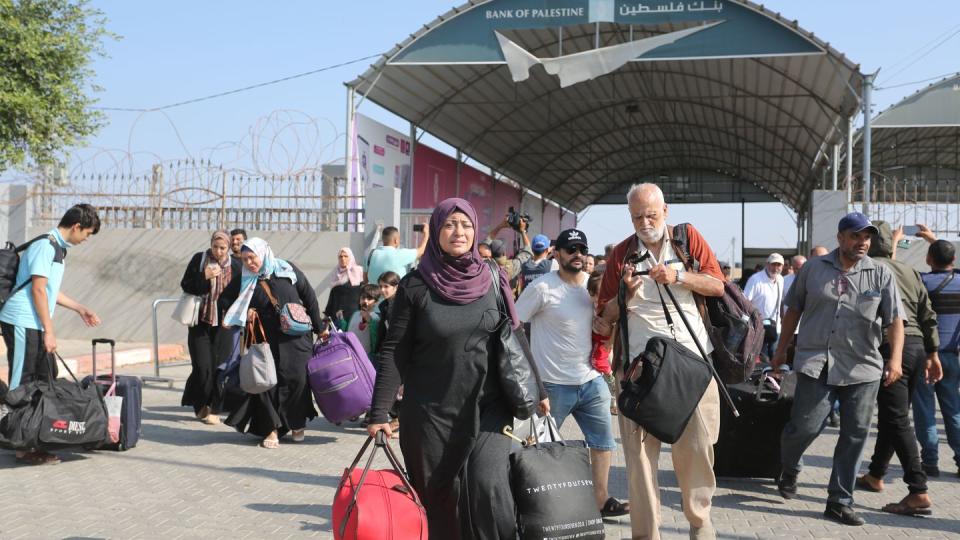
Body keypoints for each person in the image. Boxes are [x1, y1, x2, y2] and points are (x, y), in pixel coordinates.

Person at [366, 198, 547, 539]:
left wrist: (540, 389)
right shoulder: (415, 286)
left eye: (465, 225)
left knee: (489, 490)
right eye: (449, 225)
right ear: (436, 231)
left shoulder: (492, 277)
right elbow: (394, 351)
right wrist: (378, 413)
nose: (458, 232)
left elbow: (516, 334)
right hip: (430, 413)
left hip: (489, 408)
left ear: (475, 230)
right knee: (440, 502)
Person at [593, 183, 724, 540]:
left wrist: (679, 275)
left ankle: (700, 523)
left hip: (690, 366)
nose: (645, 221)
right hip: (639, 371)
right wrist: (625, 294)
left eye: (651, 214)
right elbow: (605, 314)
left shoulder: (687, 240)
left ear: (665, 211)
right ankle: (647, 534)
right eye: (637, 216)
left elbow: (717, 286)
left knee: (696, 451)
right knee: (638, 462)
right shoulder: (621, 254)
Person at [772, 212, 905, 526]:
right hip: (816, 361)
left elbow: (895, 320)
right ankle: (789, 468)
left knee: (855, 434)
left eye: (867, 237)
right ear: (841, 238)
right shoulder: (814, 269)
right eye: (856, 236)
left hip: (863, 367)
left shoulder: (880, 274)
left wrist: (895, 359)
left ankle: (839, 501)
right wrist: (779, 351)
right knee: (804, 426)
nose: (863, 242)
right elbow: (793, 311)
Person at [514, 228, 629, 519]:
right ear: (557, 254)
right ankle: (534, 506)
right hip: (552, 386)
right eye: (570, 249)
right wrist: (527, 373)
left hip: (591, 382)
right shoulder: (542, 287)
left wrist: (609, 329)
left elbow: (606, 329)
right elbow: (514, 326)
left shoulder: (596, 289)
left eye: (582, 249)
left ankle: (601, 501)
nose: (577, 255)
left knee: (604, 443)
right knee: (537, 447)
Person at [0, 203, 102, 465]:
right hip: (22, 320)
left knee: (43, 379)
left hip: (35, 321)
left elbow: (49, 292)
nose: (86, 239)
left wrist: (80, 308)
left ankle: (33, 437)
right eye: (88, 233)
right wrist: (50, 331)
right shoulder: (45, 246)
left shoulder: (58, 249)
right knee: (21, 382)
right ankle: (19, 445)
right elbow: (37, 291)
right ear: (77, 227)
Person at [856, 221, 941, 516]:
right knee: (894, 416)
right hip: (916, 348)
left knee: (896, 419)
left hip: (890, 348)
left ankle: (918, 491)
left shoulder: (866, 269)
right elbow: (927, 313)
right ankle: (876, 474)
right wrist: (933, 353)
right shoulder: (908, 270)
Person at [223, 238, 323, 449]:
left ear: (263, 252)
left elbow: (309, 296)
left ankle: (297, 424)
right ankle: (271, 429)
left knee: (298, 379)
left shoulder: (287, 268)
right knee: (267, 382)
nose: (249, 262)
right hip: (265, 339)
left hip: (297, 337)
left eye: (252, 257)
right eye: (245, 259)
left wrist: (320, 327)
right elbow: (224, 300)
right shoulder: (245, 278)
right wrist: (243, 313)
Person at [179, 230, 242, 425]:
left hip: (223, 324)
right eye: (215, 247)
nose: (218, 251)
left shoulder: (236, 266)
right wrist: (204, 276)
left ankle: (214, 408)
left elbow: (241, 295)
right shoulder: (200, 259)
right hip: (200, 322)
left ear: (229, 248)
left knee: (218, 369)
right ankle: (200, 404)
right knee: (202, 367)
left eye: (223, 248)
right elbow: (186, 285)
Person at [914, 235, 960, 477]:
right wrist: (934, 239)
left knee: (924, 409)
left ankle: (930, 462)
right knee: (953, 410)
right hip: (952, 356)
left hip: (927, 356)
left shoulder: (922, 282)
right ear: (953, 258)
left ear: (928, 259)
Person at [743, 253, 785, 359]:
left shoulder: (780, 279)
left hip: (776, 328)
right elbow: (745, 301)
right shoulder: (755, 279)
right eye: (773, 264)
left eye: (779, 265)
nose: (776, 268)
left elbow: (782, 302)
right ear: (767, 264)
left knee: (775, 358)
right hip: (759, 328)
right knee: (762, 359)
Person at [324, 247, 363, 330]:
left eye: (346, 256)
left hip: (354, 315)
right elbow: (332, 298)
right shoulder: (336, 273)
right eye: (340, 256)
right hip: (338, 316)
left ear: (351, 257)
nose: (343, 259)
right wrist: (326, 318)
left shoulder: (358, 271)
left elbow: (364, 292)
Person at [346, 284, 382, 360]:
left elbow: (375, 336)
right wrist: (341, 320)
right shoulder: (355, 314)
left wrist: (370, 320)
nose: (365, 301)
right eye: (363, 297)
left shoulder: (375, 317)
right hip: (351, 353)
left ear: (376, 302)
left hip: (367, 356)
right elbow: (348, 329)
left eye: (369, 299)